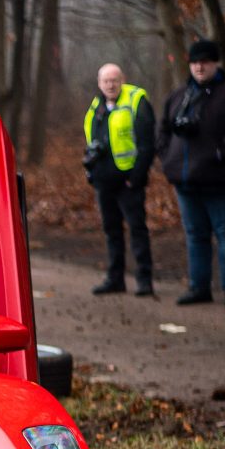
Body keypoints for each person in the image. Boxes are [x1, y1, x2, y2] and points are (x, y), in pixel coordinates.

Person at [157, 40, 225, 306]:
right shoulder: (179, 96)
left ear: (216, 63)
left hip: (220, 179)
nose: (199, 67)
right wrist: (168, 159)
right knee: (195, 235)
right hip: (186, 180)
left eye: (204, 62)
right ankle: (198, 287)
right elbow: (163, 130)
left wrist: (222, 152)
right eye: (194, 62)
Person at [83, 63, 155, 296]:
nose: (110, 85)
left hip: (129, 182)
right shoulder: (97, 106)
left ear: (122, 79)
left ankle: (144, 280)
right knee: (111, 230)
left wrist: (136, 177)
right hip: (104, 182)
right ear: (99, 83)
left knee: (137, 229)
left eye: (114, 80)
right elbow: (91, 143)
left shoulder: (136, 101)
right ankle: (116, 279)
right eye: (106, 81)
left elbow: (147, 144)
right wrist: (91, 172)